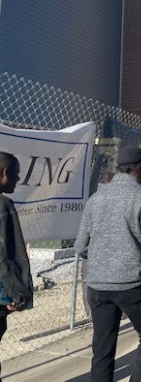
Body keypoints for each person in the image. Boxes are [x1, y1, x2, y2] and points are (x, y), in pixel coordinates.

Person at [75, 146, 141, 382]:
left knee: (102, 348)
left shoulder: (96, 199)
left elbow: (80, 246)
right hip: (132, 284)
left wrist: (101, 263)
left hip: (97, 286)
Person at [0, 152, 33, 381]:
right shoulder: (4, 206)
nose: (17, 180)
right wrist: (15, 294)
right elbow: (4, 254)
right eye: (16, 175)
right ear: (4, 174)